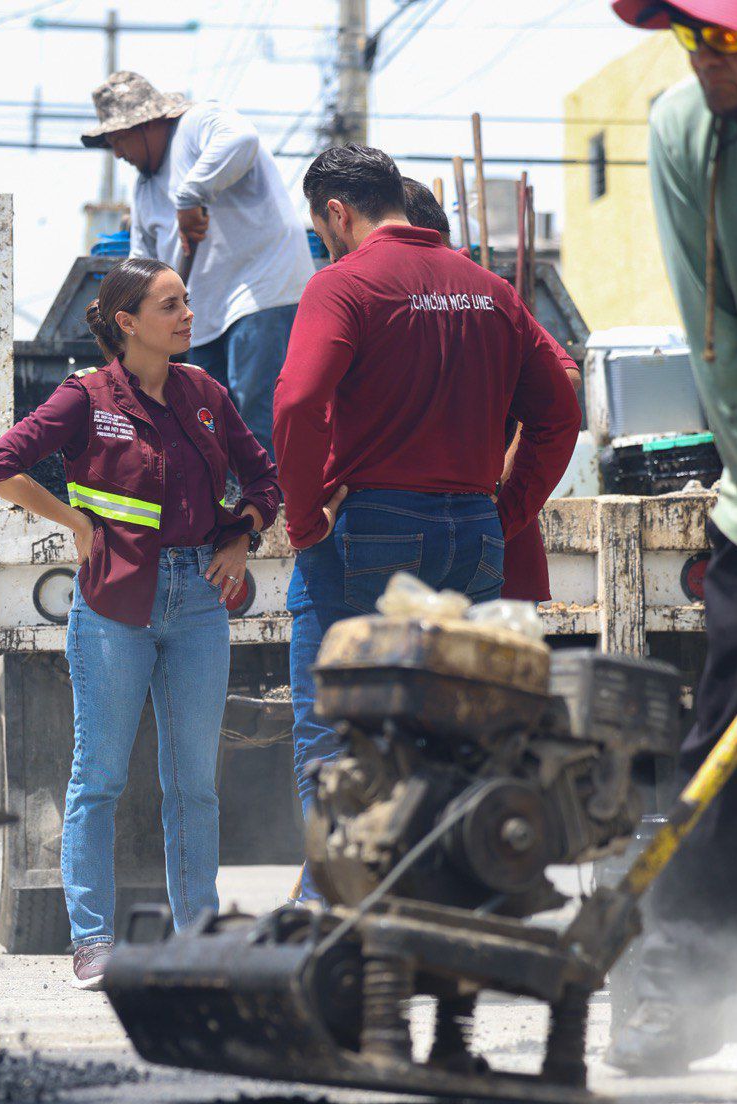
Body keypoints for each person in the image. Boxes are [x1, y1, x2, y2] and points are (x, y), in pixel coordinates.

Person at [274, 146, 581, 904]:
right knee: (459, 728)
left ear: (337, 213)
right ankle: (454, 901)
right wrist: (505, 511)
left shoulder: (344, 285)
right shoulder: (490, 291)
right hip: (472, 534)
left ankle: (329, 908)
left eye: (320, 230)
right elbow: (560, 409)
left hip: (373, 530)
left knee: (335, 725)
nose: (323, 244)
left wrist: (305, 518)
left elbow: (298, 402)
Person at [0, 259, 280, 990]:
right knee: (99, 779)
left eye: (186, 301)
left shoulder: (205, 393)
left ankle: (198, 940)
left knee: (193, 785)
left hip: (199, 600)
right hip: (113, 604)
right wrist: (73, 520)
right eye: (170, 305)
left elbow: (264, 478)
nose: (188, 314)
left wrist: (243, 535)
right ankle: (93, 941)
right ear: (127, 322)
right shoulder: (85, 397)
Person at [606, 0, 737, 1074]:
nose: (705, 58)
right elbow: (714, 334)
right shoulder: (687, 129)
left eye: (726, 38)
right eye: (693, 37)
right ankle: (673, 984)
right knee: (722, 756)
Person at [81, 70, 314, 460]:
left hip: (262, 292)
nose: (118, 153)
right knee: (212, 428)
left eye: (118, 139)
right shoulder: (144, 189)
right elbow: (142, 264)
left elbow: (242, 140)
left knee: (258, 415)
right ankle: (235, 499)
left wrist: (191, 196)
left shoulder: (197, 124)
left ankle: (276, 498)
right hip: (203, 316)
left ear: (145, 124)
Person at [402, 175, 584, 604]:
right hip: (474, 524)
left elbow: (565, 379)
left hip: (480, 521)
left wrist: (509, 463)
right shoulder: (484, 291)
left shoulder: (480, 290)